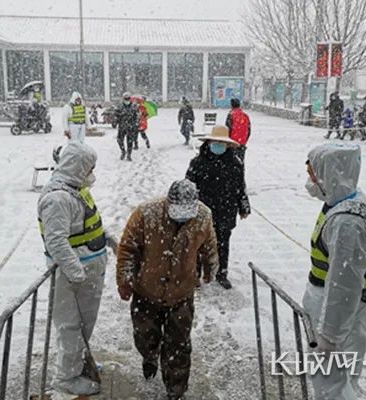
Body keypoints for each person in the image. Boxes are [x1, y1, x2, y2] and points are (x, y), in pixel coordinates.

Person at [116, 179, 219, 400]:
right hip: (147, 291)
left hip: (182, 292)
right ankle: (150, 356)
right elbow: (127, 248)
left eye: (187, 212)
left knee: (179, 346)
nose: (182, 216)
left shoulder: (203, 215)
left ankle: (176, 390)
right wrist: (125, 280)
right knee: (145, 336)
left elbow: (209, 244)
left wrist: (211, 266)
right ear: (167, 203)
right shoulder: (146, 213)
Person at [302, 143, 366, 400]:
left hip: (337, 315)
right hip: (339, 310)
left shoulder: (348, 221)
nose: (310, 180)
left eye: (314, 174)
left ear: (331, 175)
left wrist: (329, 336)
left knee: (331, 386)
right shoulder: (345, 200)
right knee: (341, 382)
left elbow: (344, 286)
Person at [37, 141, 108, 396]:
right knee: (70, 327)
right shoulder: (57, 199)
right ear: (77, 167)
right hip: (72, 277)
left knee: (84, 325)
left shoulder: (77, 189)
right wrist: (76, 273)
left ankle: (79, 363)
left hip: (89, 272)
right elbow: (56, 241)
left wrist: (109, 240)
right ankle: (66, 377)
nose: (92, 173)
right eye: (89, 168)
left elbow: (89, 222)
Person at [186, 125, 251, 289]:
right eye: (215, 142)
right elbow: (188, 186)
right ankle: (196, 273)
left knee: (222, 242)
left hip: (226, 209)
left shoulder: (235, 163)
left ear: (228, 145)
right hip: (202, 210)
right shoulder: (198, 162)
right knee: (199, 243)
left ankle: (222, 273)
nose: (218, 145)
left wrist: (244, 206)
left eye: (221, 143)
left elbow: (240, 186)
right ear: (209, 142)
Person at [116, 92, 139, 161]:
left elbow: (137, 116)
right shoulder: (120, 106)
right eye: (125, 98)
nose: (127, 100)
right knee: (119, 140)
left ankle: (129, 154)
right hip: (122, 126)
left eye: (128, 98)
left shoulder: (134, 106)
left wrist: (135, 124)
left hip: (130, 127)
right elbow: (116, 115)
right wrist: (119, 116)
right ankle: (123, 151)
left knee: (130, 141)